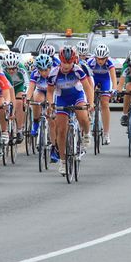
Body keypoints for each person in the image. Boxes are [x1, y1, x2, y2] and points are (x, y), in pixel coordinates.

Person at [46, 46, 94, 176]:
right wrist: (51, 104)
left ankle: (86, 134)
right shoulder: (54, 73)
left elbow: (87, 88)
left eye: (69, 62)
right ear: (60, 60)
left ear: (73, 61)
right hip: (62, 99)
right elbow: (50, 92)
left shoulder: (78, 70)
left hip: (77, 96)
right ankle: (63, 161)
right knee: (61, 130)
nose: (67, 65)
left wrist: (91, 102)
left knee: (82, 116)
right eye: (64, 62)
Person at [86, 43, 118, 145]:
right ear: (95, 57)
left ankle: (106, 133)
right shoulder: (90, 62)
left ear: (107, 58)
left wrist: (114, 89)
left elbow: (113, 78)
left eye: (103, 59)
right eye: (98, 58)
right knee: (89, 97)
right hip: (93, 78)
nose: (100, 61)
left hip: (105, 80)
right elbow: (87, 79)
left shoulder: (110, 63)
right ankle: (89, 114)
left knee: (105, 104)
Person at [2, 52, 30, 143]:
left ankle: (19, 129)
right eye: (9, 69)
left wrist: (25, 95)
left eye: (13, 69)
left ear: (17, 66)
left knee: (19, 102)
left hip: (19, 87)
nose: (11, 71)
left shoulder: (22, 69)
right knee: (3, 103)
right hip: (7, 88)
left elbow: (27, 83)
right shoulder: (1, 70)